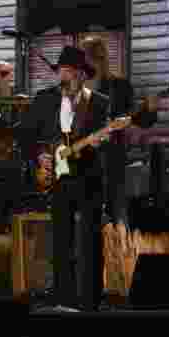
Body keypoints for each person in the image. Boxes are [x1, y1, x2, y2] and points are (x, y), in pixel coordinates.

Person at [19, 46, 110, 311]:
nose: (65, 77)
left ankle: (91, 301)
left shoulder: (99, 102)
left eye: (70, 72)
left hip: (88, 177)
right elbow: (25, 135)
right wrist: (39, 157)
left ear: (83, 75)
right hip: (57, 179)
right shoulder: (44, 99)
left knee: (91, 239)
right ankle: (63, 299)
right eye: (62, 72)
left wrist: (93, 144)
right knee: (61, 240)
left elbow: (102, 142)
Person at [79, 36, 158, 227]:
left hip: (113, 161)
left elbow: (140, 119)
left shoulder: (119, 86)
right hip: (83, 162)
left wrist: (150, 110)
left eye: (88, 57)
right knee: (86, 217)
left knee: (118, 216)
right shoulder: (76, 88)